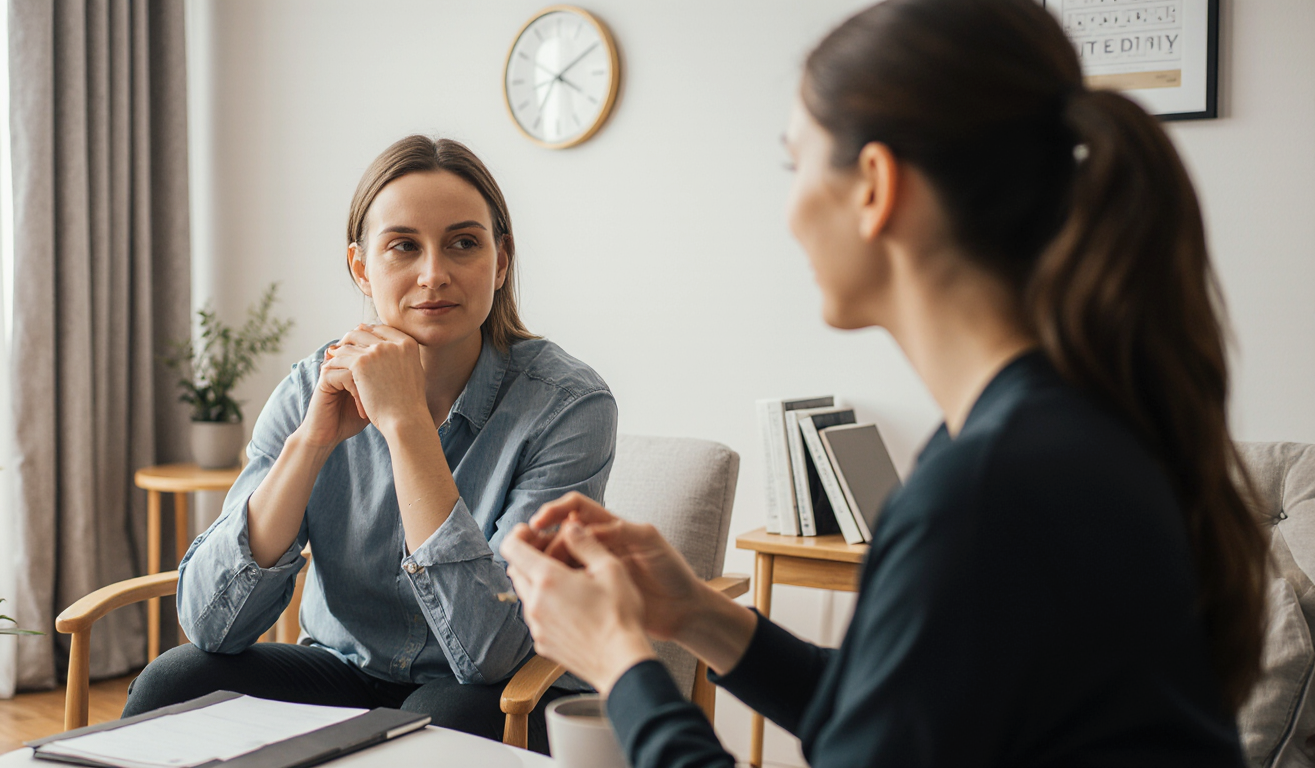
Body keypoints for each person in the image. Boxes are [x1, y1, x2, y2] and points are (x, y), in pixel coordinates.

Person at [500, 1, 1267, 766]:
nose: (790, 210)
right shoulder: (1030, 431)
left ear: (873, 185)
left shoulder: (986, 490)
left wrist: (618, 663)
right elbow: (897, 717)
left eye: (793, 163)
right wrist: (696, 613)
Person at [123, 136, 617, 754]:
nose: (434, 274)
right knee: (177, 680)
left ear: (500, 260)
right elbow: (212, 625)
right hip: (345, 673)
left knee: (444, 721)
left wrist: (406, 423)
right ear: (361, 266)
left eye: (464, 243)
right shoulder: (311, 385)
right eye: (403, 246)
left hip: (500, 689)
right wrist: (313, 440)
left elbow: (490, 650)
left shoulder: (569, 405)